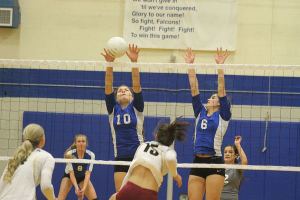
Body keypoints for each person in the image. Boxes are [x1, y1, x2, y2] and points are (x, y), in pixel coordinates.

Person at [185, 48, 232, 200]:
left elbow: (221, 90)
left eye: (214, 98)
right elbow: (194, 89)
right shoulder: (200, 112)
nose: (210, 99)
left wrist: (220, 68)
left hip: (214, 162)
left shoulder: (223, 115)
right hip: (197, 161)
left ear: (219, 103)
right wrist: (190, 66)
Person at [109, 120, 189, 200]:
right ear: (171, 142)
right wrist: (175, 175)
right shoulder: (167, 151)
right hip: (148, 194)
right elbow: (170, 158)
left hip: (130, 188)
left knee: (113, 198)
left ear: (156, 135)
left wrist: (121, 192)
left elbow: (129, 172)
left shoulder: (143, 145)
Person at [101, 44, 144, 192]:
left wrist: (134, 62)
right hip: (120, 157)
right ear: (116, 96)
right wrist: (109, 64)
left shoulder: (136, 108)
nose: (123, 91)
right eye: (119, 91)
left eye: (126, 90)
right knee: (120, 194)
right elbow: (108, 86)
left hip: (138, 157)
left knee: (138, 194)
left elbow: (137, 85)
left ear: (131, 96)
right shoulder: (113, 109)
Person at [0, 123, 56, 200]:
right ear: (42, 139)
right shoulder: (47, 157)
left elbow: (2, 185)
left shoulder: (16, 157)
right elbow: (46, 186)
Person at [58, 134, 97, 200]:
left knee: (94, 198)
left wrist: (83, 189)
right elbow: (71, 173)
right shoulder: (69, 154)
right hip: (69, 176)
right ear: (75, 143)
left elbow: (88, 174)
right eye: (79, 141)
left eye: (83, 141)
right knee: (60, 199)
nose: (81, 143)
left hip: (82, 177)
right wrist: (76, 188)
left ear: (86, 143)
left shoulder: (91, 155)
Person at [221, 136, 248, 200]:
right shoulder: (218, 168)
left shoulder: (237, 168)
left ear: (236, 155)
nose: (227, 154)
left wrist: (238, 145)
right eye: (225, 152)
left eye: (230, 152)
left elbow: (244, 162)